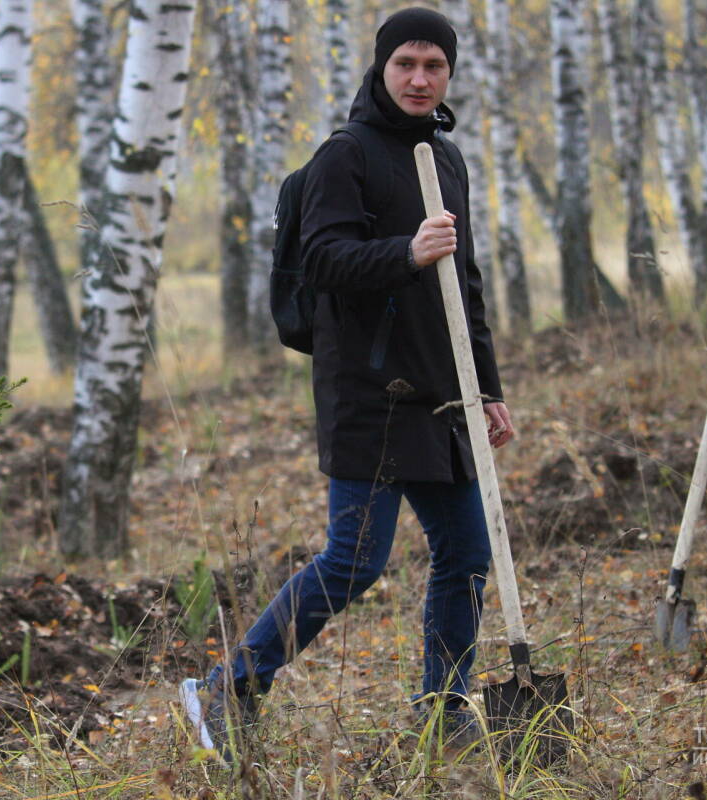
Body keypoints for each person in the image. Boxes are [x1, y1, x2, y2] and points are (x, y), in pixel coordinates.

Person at [179, 7, 514, 762]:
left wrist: (486, 386)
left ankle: (444, 705)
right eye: (407, 65)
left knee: (465, 554)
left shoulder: (447, 157)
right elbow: (326, 260)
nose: (420, 79)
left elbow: (468, 283)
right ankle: (228, 688)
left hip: (443, 394)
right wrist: (407, 251)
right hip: (369, 394)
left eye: (434, 66)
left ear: (449, 74)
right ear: (381, 68)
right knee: (356, 560)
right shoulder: (345, 156)